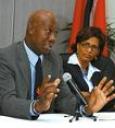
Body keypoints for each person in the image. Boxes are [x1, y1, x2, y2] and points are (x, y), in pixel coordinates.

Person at [0, 10, 115, 120]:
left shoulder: (54, 59)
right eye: (48, 31)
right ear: (31, 28)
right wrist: (36, 106)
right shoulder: (6, 57)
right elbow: (6, 102)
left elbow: (64, 99)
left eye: (55, 33)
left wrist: (86, 109)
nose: (53, 38)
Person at [62, 27, 115, 112]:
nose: (89, 50)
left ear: (98, 51)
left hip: (102, 114)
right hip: (71, 114)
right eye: (86, 45)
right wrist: (90, 97)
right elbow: (63, 96)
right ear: (78, 45)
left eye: (94, 47)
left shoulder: (105, 65)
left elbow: (108, 96)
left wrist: (88, 96)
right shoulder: (62, 63)